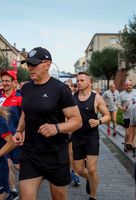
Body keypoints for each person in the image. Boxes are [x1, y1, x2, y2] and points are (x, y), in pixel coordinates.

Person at [13, 47, 82, 200]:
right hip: (31, 154)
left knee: (58, 197)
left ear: (47, 64)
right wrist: (18, 131)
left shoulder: (60, 89)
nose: (30, 68)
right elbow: (26, 111)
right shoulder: (26, 89)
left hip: (55, 155)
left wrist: (57, 128)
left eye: (34, 64)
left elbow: (77, 121)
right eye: (28, 64)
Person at [72, 72, 110, 200]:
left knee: (92, 169)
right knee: (78, 169)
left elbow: (107, 116)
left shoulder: (96, 97)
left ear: (89, 82)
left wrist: (98, 121)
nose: (79, 82)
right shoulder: (73, 97)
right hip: (77, 136)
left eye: (82, 80)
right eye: (78, 80)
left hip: (91, 137)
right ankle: (90, 179)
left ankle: (93, 196)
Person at [0, 70, 22, 200]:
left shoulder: (20, 97)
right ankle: (13, 190)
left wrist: (23, 134)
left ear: (13, 82)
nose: (4, 83)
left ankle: (31, 181)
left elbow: (25, 118)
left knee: (18, 166)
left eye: (7, 81)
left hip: (17, 138)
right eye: (3, 81)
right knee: (7, 164)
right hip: (3, 139)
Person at [118, 80, 136, 155]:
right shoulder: (121, 94)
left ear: (132, 85)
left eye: (130, 85)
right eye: (127, 85)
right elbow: (118, 104)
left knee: (135, 132)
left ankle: (133, 147)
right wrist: (122, 108)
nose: (128, 86)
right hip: (127, 116)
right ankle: (126, 145)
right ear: (124, 86)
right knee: (127, 134)